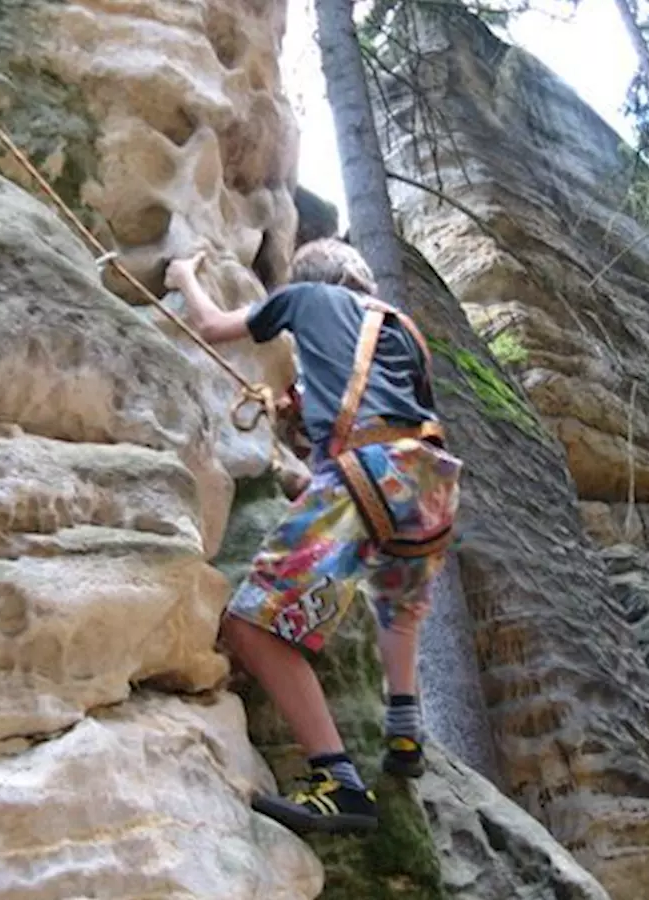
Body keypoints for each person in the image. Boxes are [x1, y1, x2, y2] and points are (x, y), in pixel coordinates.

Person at [164, 238, 462, 836]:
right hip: (432, 486)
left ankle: (338, 783)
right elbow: (385, 406)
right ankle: (405, 729)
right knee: (398, 609)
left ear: (309, 278)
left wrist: (183, 274)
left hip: (369, 472)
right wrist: (298, 410)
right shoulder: (400, 329)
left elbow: (213, 324)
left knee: (252, 626)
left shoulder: (304, 298)